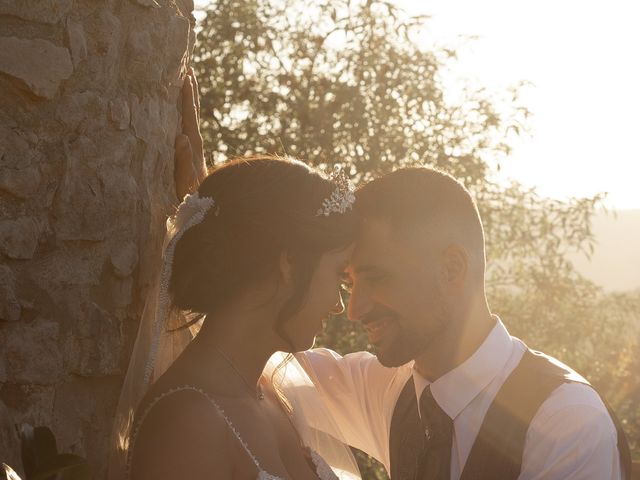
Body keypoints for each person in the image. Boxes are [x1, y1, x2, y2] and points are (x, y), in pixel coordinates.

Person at [296, 167, 632, 480]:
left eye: (377, 278)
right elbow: (260, 357)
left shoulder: (568, 422)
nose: (355, 309)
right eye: (349, 284)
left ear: (452, 269)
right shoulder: (389, 390)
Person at [108, 71, 361, 479]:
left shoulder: (274, 394)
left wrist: (225, 211)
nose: (337, 304)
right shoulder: (186, 424)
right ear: (289, 262)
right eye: (337, 276)